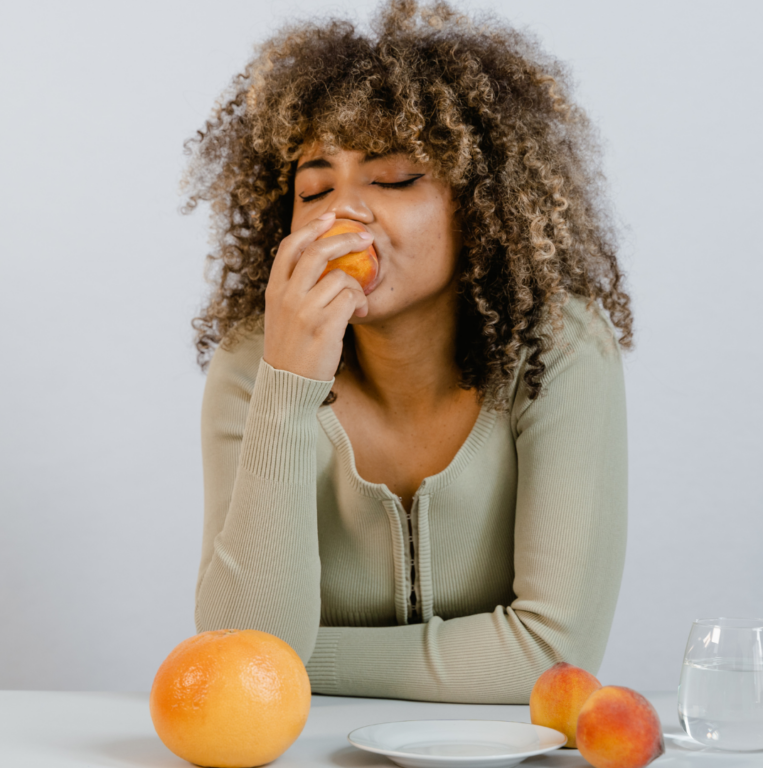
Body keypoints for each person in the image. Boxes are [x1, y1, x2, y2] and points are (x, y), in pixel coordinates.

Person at [181, 0, 633, 704]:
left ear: (481, 202)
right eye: (314, 186)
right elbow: (246, 658)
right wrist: (288, 382)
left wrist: (302, 663)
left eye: (393, 178)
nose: (342, 212)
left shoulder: (559, 347)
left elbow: (553, 655)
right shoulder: (254, 364)